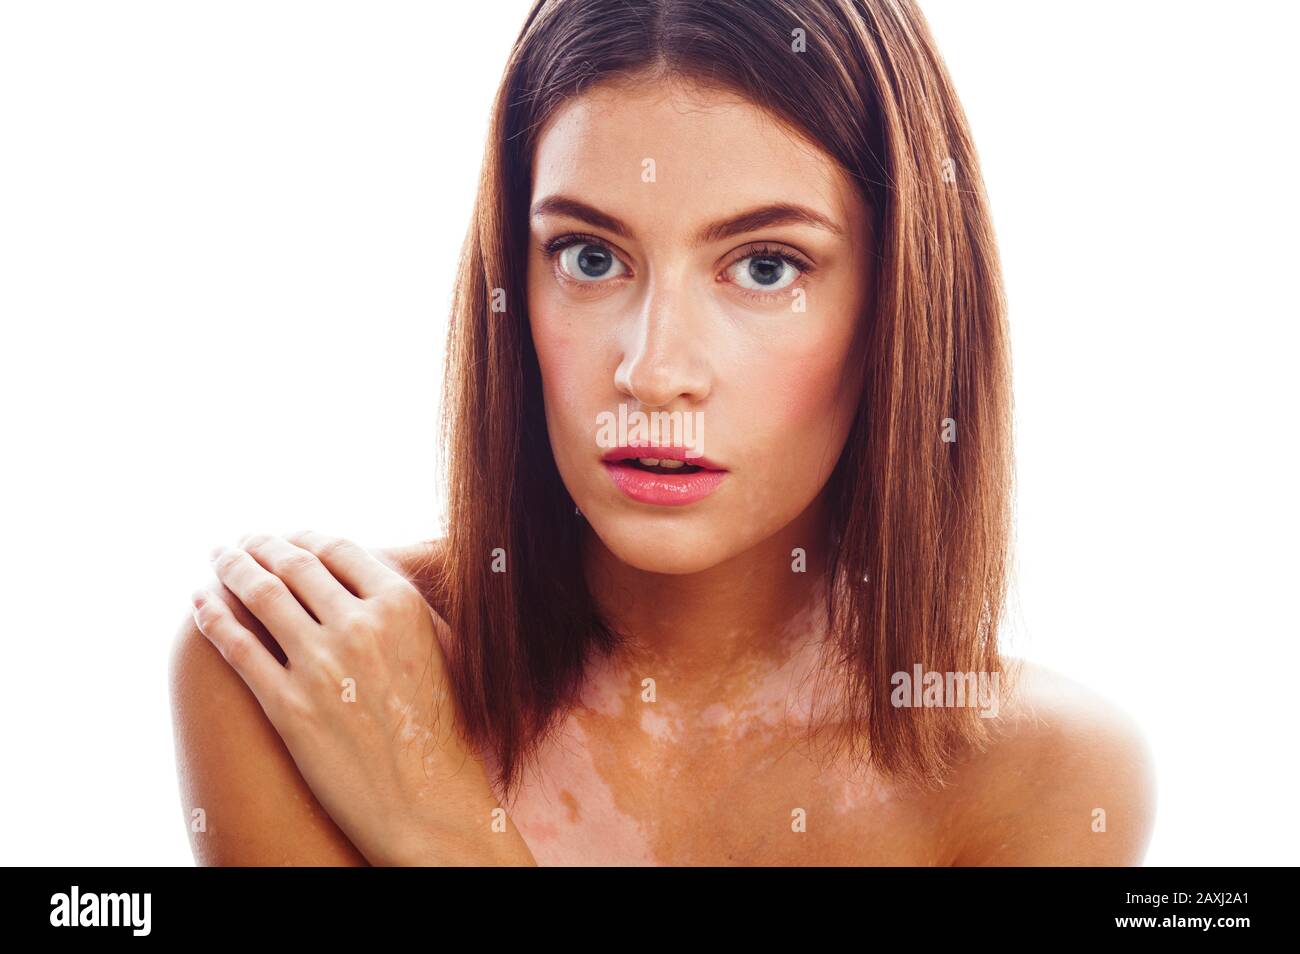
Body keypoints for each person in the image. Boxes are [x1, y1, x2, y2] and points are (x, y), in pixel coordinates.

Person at [170, 0, 1155, 866]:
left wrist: (445, 833)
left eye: (765, 266)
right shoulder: (298, 673)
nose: (653, 370)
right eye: (589, 255)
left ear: (899, 305)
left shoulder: (1044, 776)